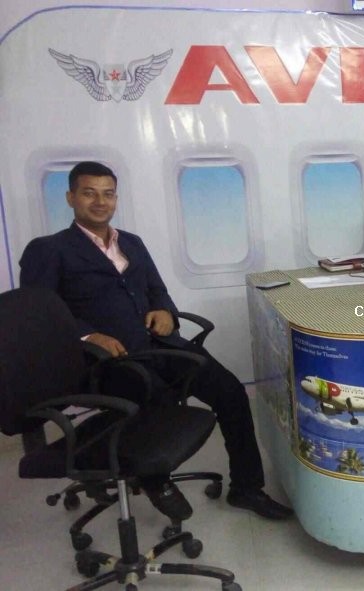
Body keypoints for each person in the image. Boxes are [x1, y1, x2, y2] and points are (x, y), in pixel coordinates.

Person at [19, 161, 293, 521]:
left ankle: (246, 487)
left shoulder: (131, 242)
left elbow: (156, 290)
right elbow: (38, 316)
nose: (100, 202)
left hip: (162, 346)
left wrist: (166, 311)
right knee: (158, 404)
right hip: (107, 360)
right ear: (71, 197)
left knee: (230, 391)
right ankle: (154, 479)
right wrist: (89, 335)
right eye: (89, 193)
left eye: (108, 194)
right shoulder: (49, 249)